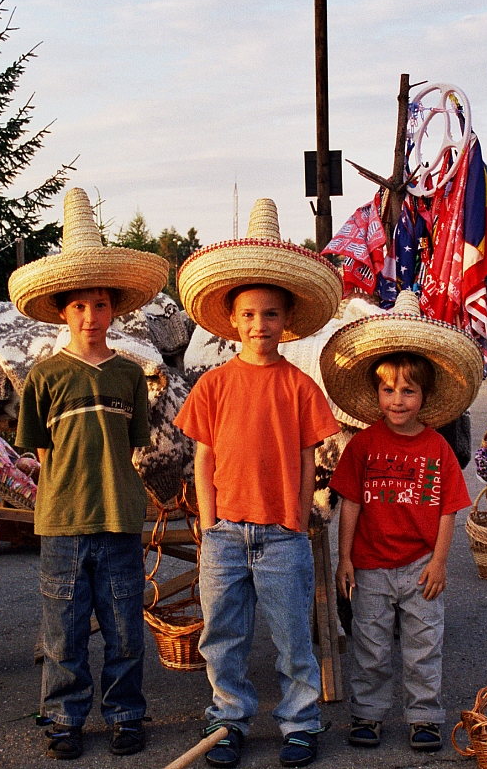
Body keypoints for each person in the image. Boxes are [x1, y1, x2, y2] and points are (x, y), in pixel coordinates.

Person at [174, 198, 343, 769]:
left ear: (285, 321)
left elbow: (305, 460)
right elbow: (202, 458)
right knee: (222, 636)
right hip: (224, 535)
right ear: (232, 322)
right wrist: (208, 520)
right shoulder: (213, 385)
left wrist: (297, 518)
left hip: (282, 533)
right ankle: (229, 721)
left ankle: (299, 721)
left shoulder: (299, 386)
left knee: (295, 636)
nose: (259, 325)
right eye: (248, 315)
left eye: (270, 315)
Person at [8, 187, 169, 761]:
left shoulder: (129, 375)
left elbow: (132, 444)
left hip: (120, 516)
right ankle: (66, 718)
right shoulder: (45, 376)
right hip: (62, 522)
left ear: (114, 310)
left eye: (100, 306)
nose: (91, 317)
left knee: (125, 627)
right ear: (62, 311)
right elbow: (42, 451)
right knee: (64, 631)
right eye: (79, 306)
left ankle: (127, 714)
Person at [319, 290, 484, 752]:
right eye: (388, 390)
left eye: (408, 391)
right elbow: (349, 503)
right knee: (369, 646)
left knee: (423, 645)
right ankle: (368, 715)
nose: (397, 400)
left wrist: (440, 563)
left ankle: (424, 716)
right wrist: (343, 559)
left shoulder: (437, 449)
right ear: (376, 393)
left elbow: (450, 507)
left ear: (424, 396)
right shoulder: (363, 446)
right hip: (369, 565)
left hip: (420, 567)